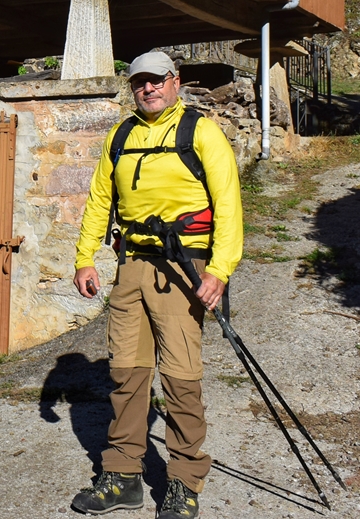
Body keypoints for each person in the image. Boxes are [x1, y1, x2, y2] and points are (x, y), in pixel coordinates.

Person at [69, 51, 243, 518]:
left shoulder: (201, 130)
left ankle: (184, 481)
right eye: (139, 82)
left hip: (184, 268)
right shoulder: (120, 134)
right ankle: (123, 474)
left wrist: (219, 270)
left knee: (181, 378)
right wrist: (85, 258)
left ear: (175, 81)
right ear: (132, 88)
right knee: (126, 373)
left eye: (157, 81)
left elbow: (229, 204)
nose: (148, 89)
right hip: (132, 267)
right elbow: (100, 198)